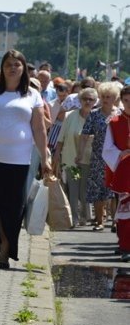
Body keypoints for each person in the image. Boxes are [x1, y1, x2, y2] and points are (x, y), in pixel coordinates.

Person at [0, 49, 51, 269]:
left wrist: (45, 157)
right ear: (1, 69)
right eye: (8, 65)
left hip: (17, 163)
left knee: (10, 209)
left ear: (23, 68)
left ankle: (4, 252)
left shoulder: (32, 95)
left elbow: (39, 129)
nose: (12, 68)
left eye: (17, 64)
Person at [53, 88, 97, 226]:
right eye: (85, 99)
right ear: (79, 100)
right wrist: (56, 156)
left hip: (89, 160)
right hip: (72, 159)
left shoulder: (97, 117)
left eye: (91, 99)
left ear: (95, 102)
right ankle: (74, 218)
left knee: (84, 189)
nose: (88, 102)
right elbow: (61, 138)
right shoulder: (70, 116)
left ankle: (85, 216)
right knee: (73, 188)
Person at [80, 82, 121, 231]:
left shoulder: (120, 114)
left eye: (108, 96)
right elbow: (84, 135)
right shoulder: (94, 114)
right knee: (99, 190)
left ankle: (116, 221)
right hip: (98, 157)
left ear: (115, 98)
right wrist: (80, 153)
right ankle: (99, 221)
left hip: (116, 158)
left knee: (115, 191)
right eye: (103, 96)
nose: (105, 99)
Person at [102, 85, 130, 261]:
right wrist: (121, 154)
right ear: (121, 101)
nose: (129, 104)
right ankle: (125, 245)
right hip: (124, 170)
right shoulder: (114, 122)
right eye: (126, 100)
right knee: (125, 210)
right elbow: (107, 149)